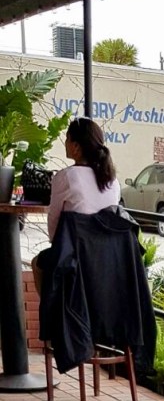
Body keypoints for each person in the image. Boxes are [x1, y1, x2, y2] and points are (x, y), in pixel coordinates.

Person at [31, 116, 120, 294]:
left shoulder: (66, 177)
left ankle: (51, 309)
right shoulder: (113, 181)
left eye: (67, 139)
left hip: (74, 256)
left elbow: (54, 222)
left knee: (37, 263)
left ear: (76, 147)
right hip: (108, 258)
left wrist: (56, 245)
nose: (65, 143)